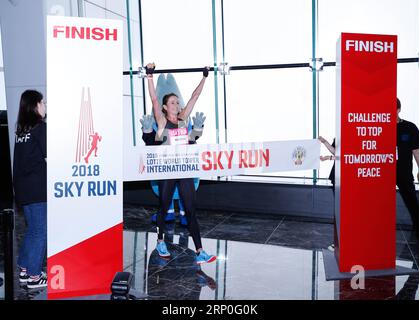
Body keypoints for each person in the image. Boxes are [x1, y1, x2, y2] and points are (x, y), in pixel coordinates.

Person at [145, 62, 216, 264]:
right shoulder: (161, 120)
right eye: (174, 102)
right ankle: (160, 241)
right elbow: (153, 98)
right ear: (166, 107)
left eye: (178, 102)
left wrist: (204, 77)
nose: (178, 105)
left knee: (191, 210)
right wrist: (150, 77)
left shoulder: (184, 119)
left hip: (184, 170)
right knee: (163, 206)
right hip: (167, 171)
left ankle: (200, 250)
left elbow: (195, 96)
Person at [13, 90, 47, 288]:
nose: (45, 106)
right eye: (42, 103)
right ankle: (34, 276)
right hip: (36, 187)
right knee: (40, 231)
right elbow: (49, 151)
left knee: (33, 229)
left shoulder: (22, 129)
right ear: (35, 106)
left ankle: (25, 268)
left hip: (23, 188)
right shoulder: (40, 128)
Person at [396, 98, 419, 239]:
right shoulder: (379, 127)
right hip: (383, 172)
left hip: (404, 172)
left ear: (398, 109)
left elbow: (416, 150)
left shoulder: (410, 127)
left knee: (412, 201)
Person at [319, 136, 336, 251]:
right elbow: (337, 152)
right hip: (338, 176)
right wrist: (324, 142)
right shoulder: (340, 135)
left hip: (350, 177)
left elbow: (346, 155)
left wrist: (328, 157)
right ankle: (338, 242)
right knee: (339, 211)